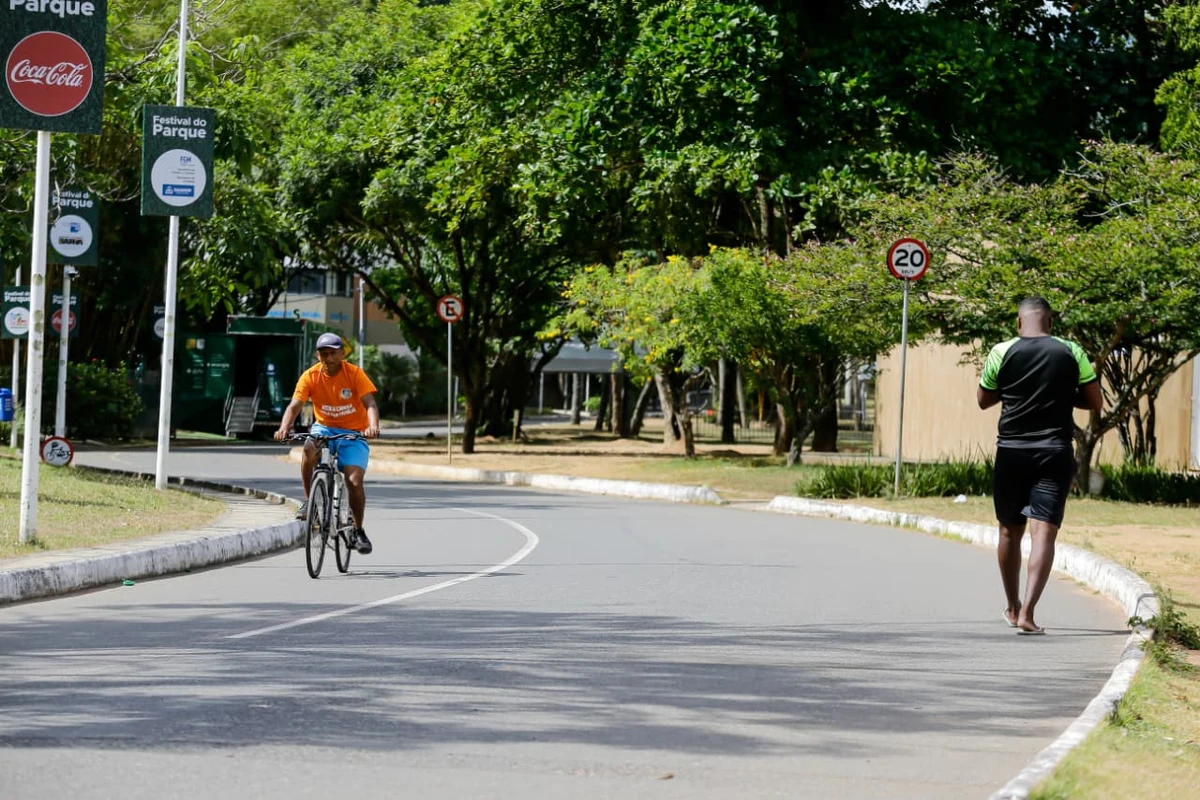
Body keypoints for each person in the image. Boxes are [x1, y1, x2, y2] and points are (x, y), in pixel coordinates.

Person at [976, 297, 1103, 635]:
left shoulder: (1001, 351)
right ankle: (1029, 613)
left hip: (1011, 452)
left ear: (1019, 323)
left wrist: (1015, 391)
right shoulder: (1071, 351)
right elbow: (1094, 401)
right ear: (1051, 322)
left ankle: (1012, 605)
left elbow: (983, 400)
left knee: (1008, 530)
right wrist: (1061, 395)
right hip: (1054, 451)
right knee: (1044, 531)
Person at [275, 332, 381, 554]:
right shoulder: (310, 376)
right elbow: (295, 405)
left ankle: (358, 529)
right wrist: (285, 427)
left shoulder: (354, 374)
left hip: (353, 432)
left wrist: (372, 426)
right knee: (308, 449)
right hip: (324, 428)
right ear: (318, 355)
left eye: (333, 353)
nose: (329, 357)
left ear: (342, 353)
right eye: (324, 353)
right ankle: (309, 501)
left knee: (354, 481)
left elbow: (369, 402)